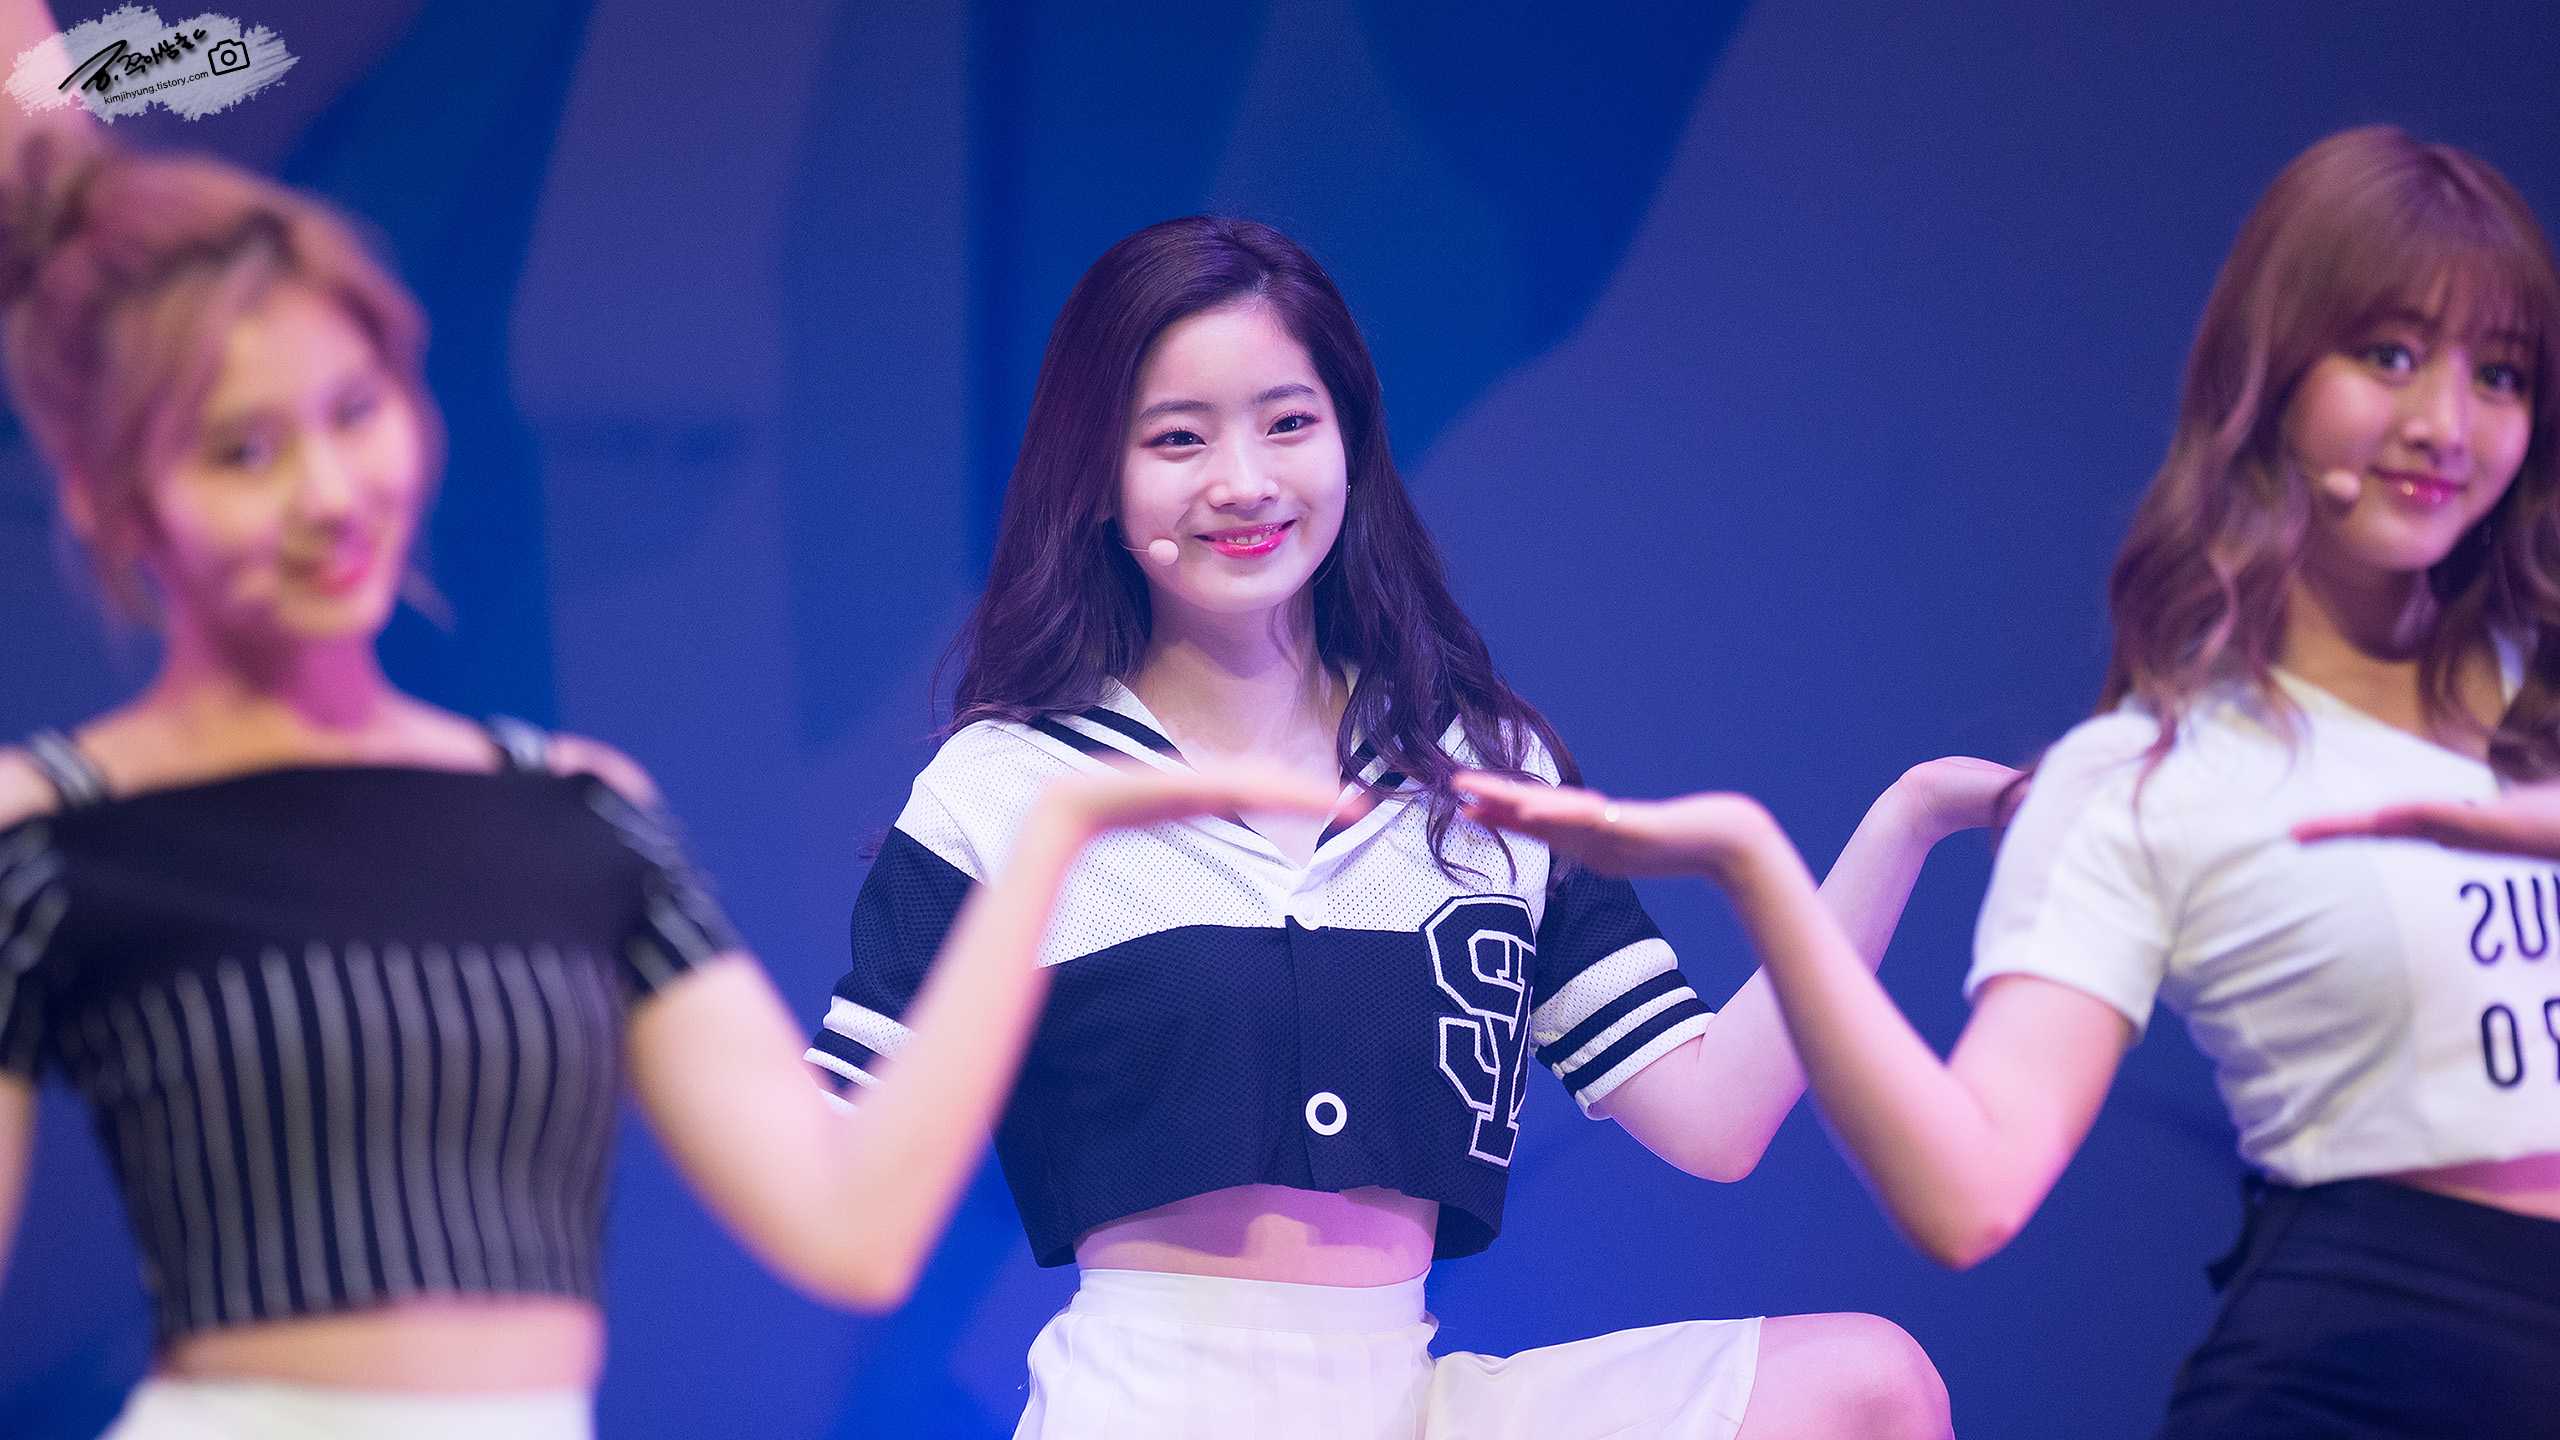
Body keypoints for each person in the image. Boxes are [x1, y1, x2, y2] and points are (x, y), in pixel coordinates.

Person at [0, 128, 1336, 1440]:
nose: (331, 495)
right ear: (116, 501)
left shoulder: (572, 814)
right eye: (243, 453)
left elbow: (853, 1229)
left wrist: (1048, 843)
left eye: (355, 412)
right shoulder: (49, 833)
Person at [810, 214, 1995, 1439]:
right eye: (1178, 438)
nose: (1243, 481)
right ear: (1097, 480)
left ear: (1351, 444)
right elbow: (828, 1157)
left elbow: (1715, 1121)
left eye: (1287, 422)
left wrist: (1903, 826)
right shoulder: (1008, 787)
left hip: (1407, 1402)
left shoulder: (1481, 769)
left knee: (1871, 1384)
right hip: (1149, 1406)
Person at [1460, 125, 2560, 1437]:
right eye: (2388, 356)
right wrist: (1759, 871)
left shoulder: (2538, 697)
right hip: (2360, 1376)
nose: (2444, 423)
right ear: (2279, 375)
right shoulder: (2159, 780)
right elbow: (1965, 1191)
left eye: (2500, 373)